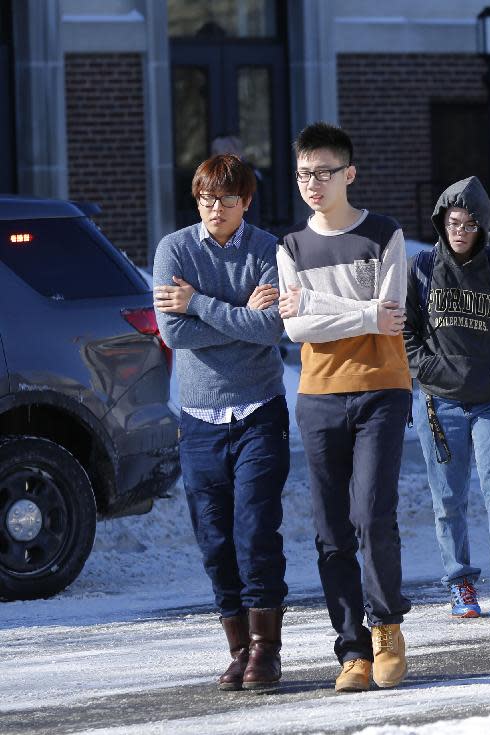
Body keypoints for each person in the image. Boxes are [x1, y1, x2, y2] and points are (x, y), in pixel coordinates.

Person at [277, 122, 411, 693]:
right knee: (331, 527)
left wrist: (318, 304)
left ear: (349, 174)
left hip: (383, 388)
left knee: (371, 512)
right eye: (305, 174)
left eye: (325, 173)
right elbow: (295, 325)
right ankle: (351, 648)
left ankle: (386, 630)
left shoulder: (385, 236)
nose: (314, 183)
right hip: (318, 395)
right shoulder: (290, 246)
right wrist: (358, 314)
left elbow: (394, 311)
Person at [153, 153, 289, 690]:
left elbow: (273, 328)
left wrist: (200, 304)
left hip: (258, 410)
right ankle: (237, 649)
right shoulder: (174, 250)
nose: (215, 209)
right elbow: (173, 334)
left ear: (246, 202)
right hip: (200, 417)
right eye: (207, 199)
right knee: (214, 538)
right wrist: (239, 314)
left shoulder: (267, 250)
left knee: (256, 530)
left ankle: (265, 651)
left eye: (226, 201)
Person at [404, 175, 490, 623]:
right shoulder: (420, 268)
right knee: (449, 498)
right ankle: (459, 581)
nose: (459, 231)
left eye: (468, 223)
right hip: (440, 405)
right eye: (452, 222)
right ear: (442, 223)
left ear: (482, 226)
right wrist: (429, 371)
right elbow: (405, 333)